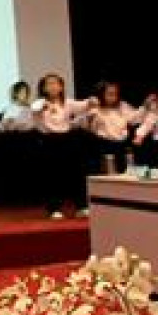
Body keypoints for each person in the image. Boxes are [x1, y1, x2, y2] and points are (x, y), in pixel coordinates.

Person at [30, 73, 97, 220]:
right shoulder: (40, 103)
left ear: (61, 87)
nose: (53, 86)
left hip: (67, 140)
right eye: (49, 84)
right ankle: (54, 209)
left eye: (56, 83)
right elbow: (34, 108)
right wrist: (44, 106)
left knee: (75, 174)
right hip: (48, 141)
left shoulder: (67, 102)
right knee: (53, 176)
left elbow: (82, 105)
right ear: (43, 88)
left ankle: (81, 206)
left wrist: (90, 101)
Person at [82, 81, 147, 172]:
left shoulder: (122, 106)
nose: (113, 97)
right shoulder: (95, 108)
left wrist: (145, 107)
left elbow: (134, 119)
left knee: (124, 173)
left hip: (121, 146)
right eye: (110, 94)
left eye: (115, 94)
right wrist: (90, 115)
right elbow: (85, 125)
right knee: (107, 173)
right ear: (102, 94)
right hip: (103, 146)